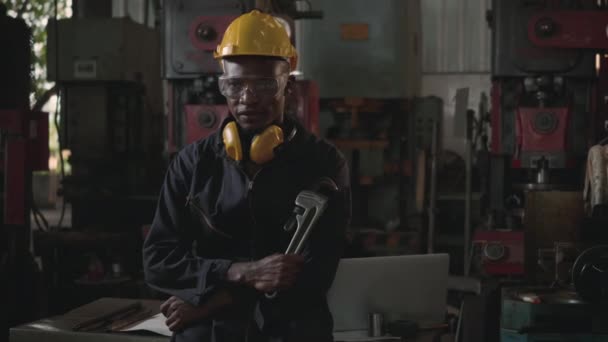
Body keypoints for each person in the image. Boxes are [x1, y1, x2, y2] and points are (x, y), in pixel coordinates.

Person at [143, 10, 351, 342]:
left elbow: (315, 274)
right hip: (208, 335)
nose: (248, 98)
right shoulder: (192, 164)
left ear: (289, 86)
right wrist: (241, 272)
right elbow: (158, 262)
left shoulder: (323, 164)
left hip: (290, 332)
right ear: (222, 85)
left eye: (265, 84)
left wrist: (209, 301)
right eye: (235, 84)